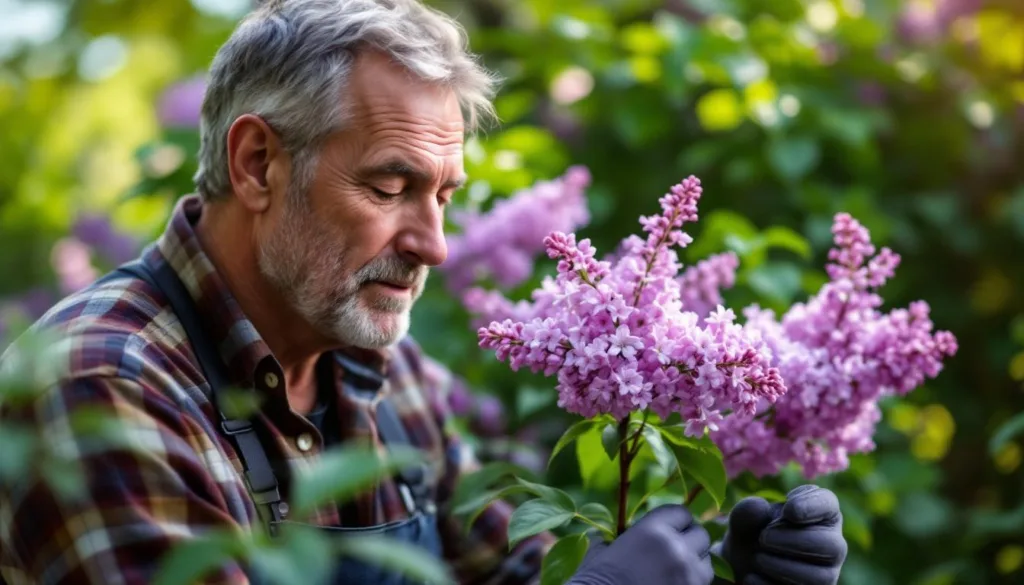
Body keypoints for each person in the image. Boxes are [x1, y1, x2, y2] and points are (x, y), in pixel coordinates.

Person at [0, 1, 847, 584]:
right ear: (257, 163)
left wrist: (725, 565)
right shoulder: (105, 389)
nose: (433, 245)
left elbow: (513, 569)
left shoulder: (385, 377)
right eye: (389, 185)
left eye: (442, 194)